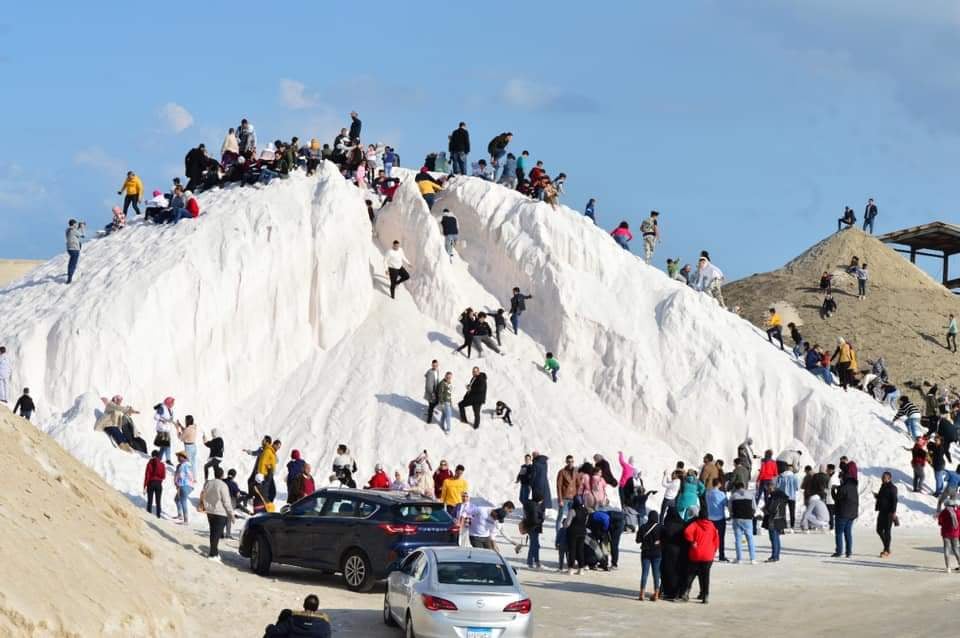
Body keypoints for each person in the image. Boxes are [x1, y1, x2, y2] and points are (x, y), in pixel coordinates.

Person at [682, 510, 718, 604]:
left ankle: (686, 592)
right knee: (705, 576)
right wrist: (714, 550)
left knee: (691, 574)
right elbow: (716, 539)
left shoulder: (695, 524)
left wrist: (692, 541)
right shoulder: (711, 525)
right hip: (708, 555)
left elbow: (686, 532)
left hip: (696, 554)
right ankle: (705, 596)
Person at [199, 466, 234, 561]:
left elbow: (203, 494)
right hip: (220, 512)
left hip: (210, 511)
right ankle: (213, 554)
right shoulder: (223, 485)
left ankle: (214, 552)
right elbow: (226, 501)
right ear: (222, 475)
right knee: (216, 534)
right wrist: (231, 514)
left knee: (213, 532)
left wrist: (204, 505)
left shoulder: (208, 483)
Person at [263, 594, 332, 638]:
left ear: (304, 605)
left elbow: (275, 632)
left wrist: (270, 627)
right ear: (316, 608)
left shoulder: (292, 620)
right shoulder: (324, 624)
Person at [635, 510, 662, 601]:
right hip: (657, 553)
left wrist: (644, 539)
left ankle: (642, 593)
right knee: (656, 574)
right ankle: (656, 594)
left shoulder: (643, 527)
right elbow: (666, 539)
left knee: (644, 573)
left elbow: (637, 540)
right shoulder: (660, 527)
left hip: (645, 553)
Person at [832, 472, 859, 558]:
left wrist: (833, 490)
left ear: (843, 478)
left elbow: (836, 499)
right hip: (852, 514)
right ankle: (848, 552)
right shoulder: (854, 487)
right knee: (848, 533)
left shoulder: (843, 488)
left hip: (842, 513)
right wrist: (839, 488)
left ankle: (839, 551)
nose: (840, 480)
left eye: (840, 478)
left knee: (839, 533)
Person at [729, 481, 756, 563]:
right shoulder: (750, 494)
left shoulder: (733, 496)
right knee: (750, 538)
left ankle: (739, 559)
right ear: (743, 487)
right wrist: (751, 514)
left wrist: (732, 515)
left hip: (737, 518)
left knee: (738, 539)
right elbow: (754, 507)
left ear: (736, 488)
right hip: (748, 518)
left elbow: (730, 508)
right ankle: (752, 559)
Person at [761, 481, 787, 562]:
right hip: (780, 518)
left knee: (773, 538)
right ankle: (776, 555)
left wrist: (765, 509)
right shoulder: (781, 495)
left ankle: (774, 556)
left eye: (767, 489)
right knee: (776, 538)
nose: (767, 491)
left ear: (771, 487)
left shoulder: (775, 496)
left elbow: (772, 509)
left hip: (773, 519)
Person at [874, 471, 897, 558]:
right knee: (879, 530)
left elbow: (894, 500)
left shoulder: (892, 488)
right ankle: (887, 547)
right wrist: (877, 496)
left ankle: (886, 550)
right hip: (882, 511)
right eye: (882, 477)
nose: (882, 479)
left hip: (889, 513)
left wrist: (893, 512)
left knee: (887, 531)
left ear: (889, 478)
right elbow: (883, 497)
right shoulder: (883, 486)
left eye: (884, 477)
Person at [705, 478, 728, 562]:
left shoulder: (707, 493)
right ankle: (721, 555)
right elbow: (726, 504)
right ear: (719, 484)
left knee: (710, 538)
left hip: (710, 518)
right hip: (720, 517)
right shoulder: (721, 494)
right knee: (721, 537)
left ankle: (709, 554)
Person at [521, 496, 545, 569]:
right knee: (533, 545)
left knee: (536, 545)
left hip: (530, 528)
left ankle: (536, 561)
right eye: (541, 500)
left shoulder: (529, 504)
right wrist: (541, 520)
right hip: (534, 528)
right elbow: (535, 519)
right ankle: (531, 562)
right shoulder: (535, 506)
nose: (541, 502)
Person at [937, 498, 960, 573]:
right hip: (955, 533)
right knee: (955, 549)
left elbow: (940, 523)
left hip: (946, 533)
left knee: (946, 549)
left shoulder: (943, 512)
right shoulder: (957, 512)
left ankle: (948, 568)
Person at [143, 450, 166, 519]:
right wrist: (159, 479)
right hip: (159, 484)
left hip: (151, 483)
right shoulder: (162, 464)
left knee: (150, 500)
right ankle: (158, 515)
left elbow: (147, 475)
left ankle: (149, 513)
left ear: (152, 455)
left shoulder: (150, 463)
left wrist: (145, 486)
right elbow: (163, 476)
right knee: (158, 501)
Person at [174, 450, 195, 524]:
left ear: (184, 457)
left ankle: (186, 520)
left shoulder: (184, 465)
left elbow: (182, 476)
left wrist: (177, 483)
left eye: (179, 457)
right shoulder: (184, 465)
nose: (178, 458)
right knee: (177, 499)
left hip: (184, 485)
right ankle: (180, 515)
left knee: (183, 500)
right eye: (178, 457)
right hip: (186, 485)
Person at [777, 465, 800, 529]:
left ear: (786, 469)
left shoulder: (781, 476)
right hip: (792, 496)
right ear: (791, 469)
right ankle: (792, 525)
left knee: (782, 512)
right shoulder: (794, 477)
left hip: (782, 496)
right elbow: (797, 488)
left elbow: (778, 486)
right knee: (792, 511)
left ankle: (783, 525)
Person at [65, 219, 85, 284]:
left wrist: (79, 227)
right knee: (73, 263)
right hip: (75, 249)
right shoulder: (73, 230)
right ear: (73, 224)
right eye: (75, 224)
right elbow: (82, 235)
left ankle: (69, 273)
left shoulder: (68, 230)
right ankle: (70, 277)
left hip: (69, 249)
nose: (76, 225)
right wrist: (82, 228)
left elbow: (75, 231)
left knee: (71, 262)